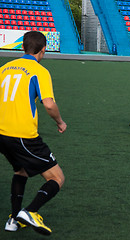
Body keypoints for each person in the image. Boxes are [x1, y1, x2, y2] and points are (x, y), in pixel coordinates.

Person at [0, 31, 67, 236]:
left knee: (21, 171)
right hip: (22, 135)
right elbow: (48, 104)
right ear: (43, 49)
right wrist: (60, 121)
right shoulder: (39, 71)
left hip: (1, 135)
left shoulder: (3, 69)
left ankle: (13, 219)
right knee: (57, 178)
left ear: (23, 47)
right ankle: (30, 211)